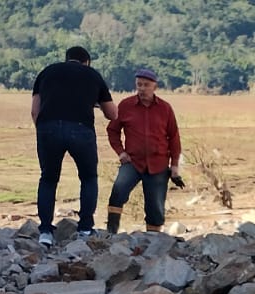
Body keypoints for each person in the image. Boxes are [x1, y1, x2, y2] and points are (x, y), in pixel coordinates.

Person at [31, 46, 116, 247]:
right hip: (80, 129)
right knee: (88, 177)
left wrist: (43, 130)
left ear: (66, 58)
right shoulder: (92, 75)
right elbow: (112, 113)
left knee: (49, 178)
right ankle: (85, 228)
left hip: (48, 127)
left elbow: (35, 111)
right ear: (87, 62)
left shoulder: (47, 72)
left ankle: (45, 231)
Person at [105, 68, 182, 235]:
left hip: (159, 163)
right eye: (139, 85)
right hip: (133, 162)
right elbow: (112, 130)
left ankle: (153, 239)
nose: (142, 88)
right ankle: (111, 234)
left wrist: (174, 166)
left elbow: (174, 137)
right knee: (118, 191)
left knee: (155, 206)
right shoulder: (126, 105)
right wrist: (120, 152)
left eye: (146, 85)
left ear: (155, 87)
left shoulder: (165, 108)